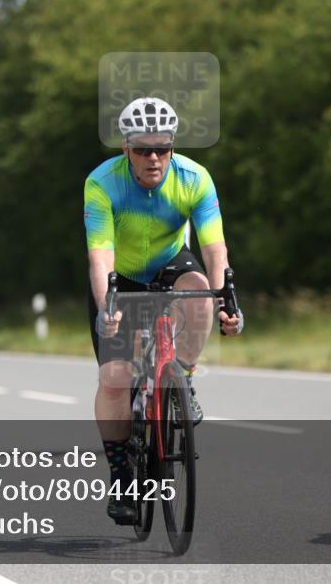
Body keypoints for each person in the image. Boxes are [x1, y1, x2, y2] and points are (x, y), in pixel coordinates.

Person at [85, 96, 244, 524]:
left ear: (172, 147)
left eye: (162, 148)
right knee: (116, 379)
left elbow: (214, 248)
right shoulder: (102, 183)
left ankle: (184, 378)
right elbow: (100, 257)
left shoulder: (195, 179)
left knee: (198, 293)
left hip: (173, 262)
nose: (153, 157)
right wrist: (108, 309)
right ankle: (121, 477)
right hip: (123, 275)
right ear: (126, 149)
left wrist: (228, 300)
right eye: (142, 149)